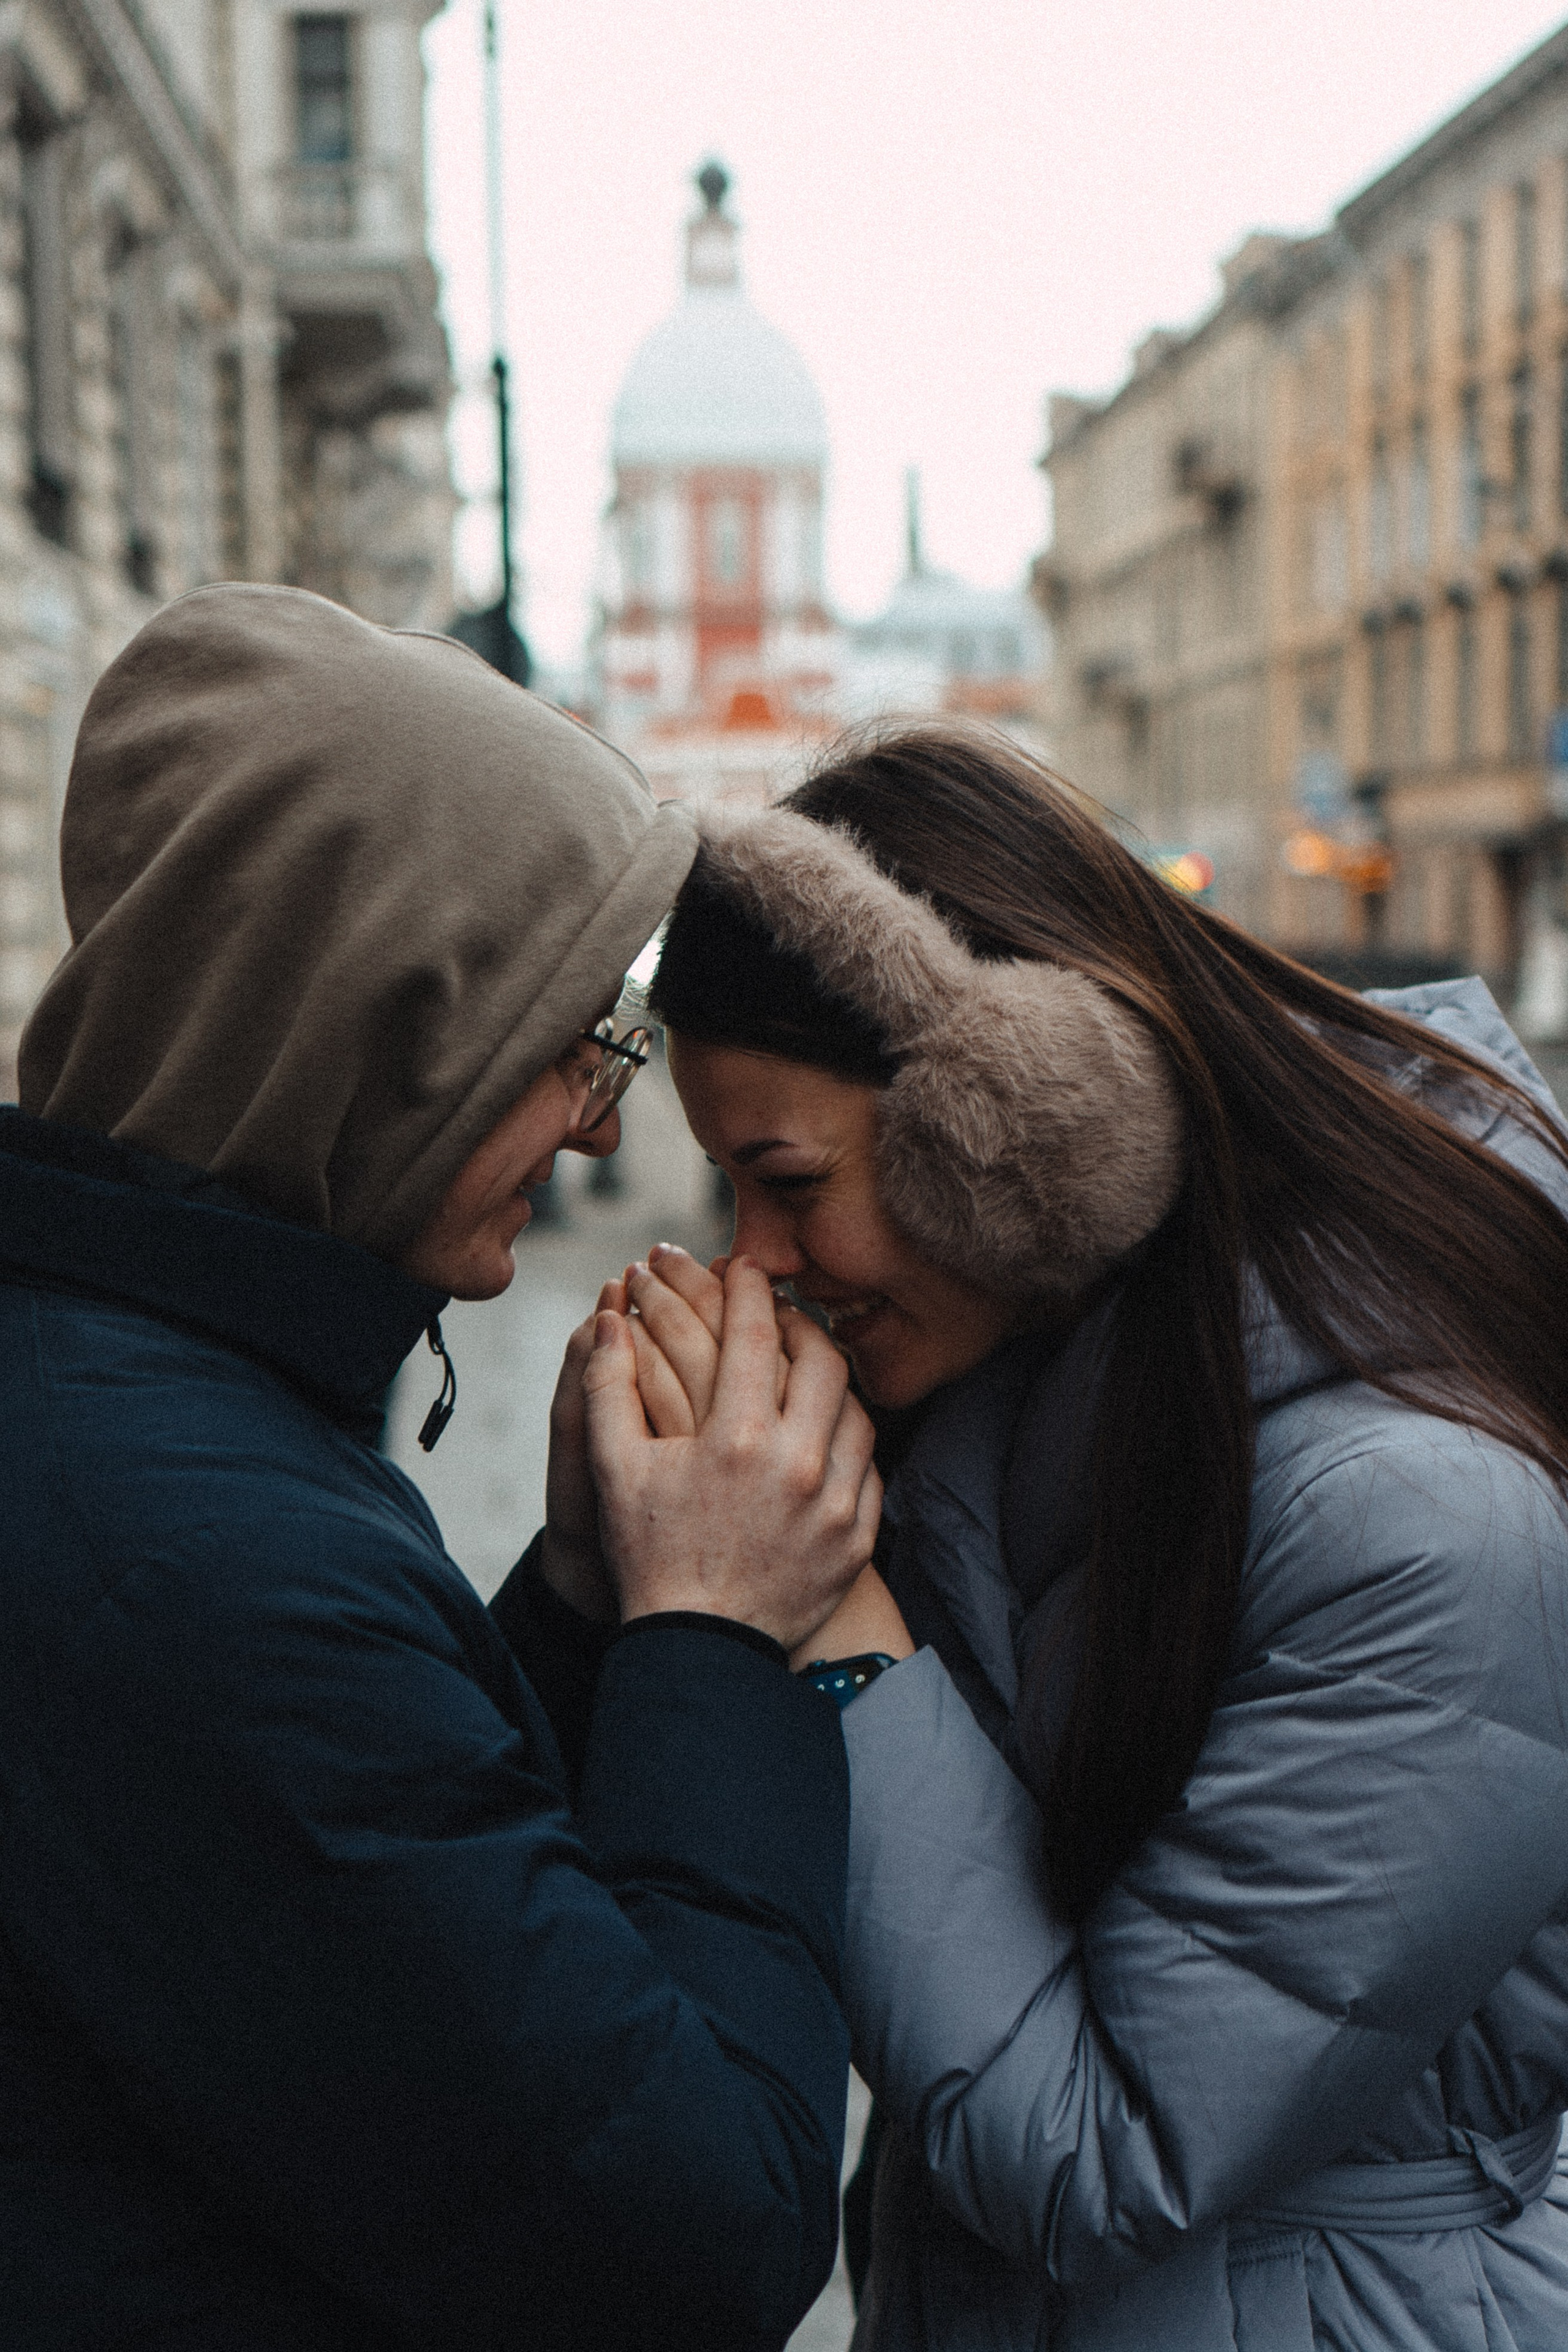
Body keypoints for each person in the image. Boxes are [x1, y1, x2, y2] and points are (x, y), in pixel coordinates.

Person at [0, 582, 883, 2352]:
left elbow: (401, 1926)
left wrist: (573, 1597)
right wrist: (715, 1628)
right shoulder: (205, 1554)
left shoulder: (139, 1388)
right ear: (388, 1038)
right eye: (572, 1044)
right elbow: (688, 2237)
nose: (606, 1124)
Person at [616, 720, 1568, 2351]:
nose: (756, 1262)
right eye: (727, 1194)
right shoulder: (1022, 1354)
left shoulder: (1428, 1535)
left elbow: (1100, 2153)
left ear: (1024, 1123)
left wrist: (825, 1609)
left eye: (785, 1182)